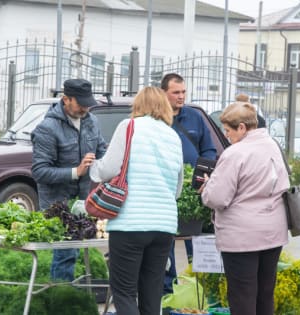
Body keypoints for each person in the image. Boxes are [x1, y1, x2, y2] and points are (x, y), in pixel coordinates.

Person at [90, 86, 183, 315]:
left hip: (130, 224)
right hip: (164, 226)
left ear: (139, 105)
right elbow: (178, 189)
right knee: (152, 296)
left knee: (124, 293)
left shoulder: (129, 126)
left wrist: (93, 168)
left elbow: (109, 168)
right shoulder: (173, 137)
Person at [199, 102, 289, 315]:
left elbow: (217, 198)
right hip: (273, 232)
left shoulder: (235, 153)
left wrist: (206, 188)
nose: (226, 135)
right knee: (265, 293)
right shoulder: (272, 146)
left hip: (241, 237)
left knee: (242, 295)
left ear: (241, 127)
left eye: (228, 131)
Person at [31, 78, 107, 282]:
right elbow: (39, 171)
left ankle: (69, 296)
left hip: (81, 202)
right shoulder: (48, 128)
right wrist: (77, 171)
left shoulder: (91, 121)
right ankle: (60, 298)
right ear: (66, 99)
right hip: (56, 205)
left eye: (88, 103)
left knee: (74, 253)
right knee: (65, 256)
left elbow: (102, 151)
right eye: (80, 103)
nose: (85, 108)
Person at [160, 73, 216, 294]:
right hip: (167, 191)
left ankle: (202, 288)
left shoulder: (194, 117)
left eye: (183, 92)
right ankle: (167, 290)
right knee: (167, 240)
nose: (181, 97)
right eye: (176, 92)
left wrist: (205, 173)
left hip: (196, 190)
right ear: (164, 93)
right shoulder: (157, 119)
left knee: (199, 241)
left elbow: (209, 149)